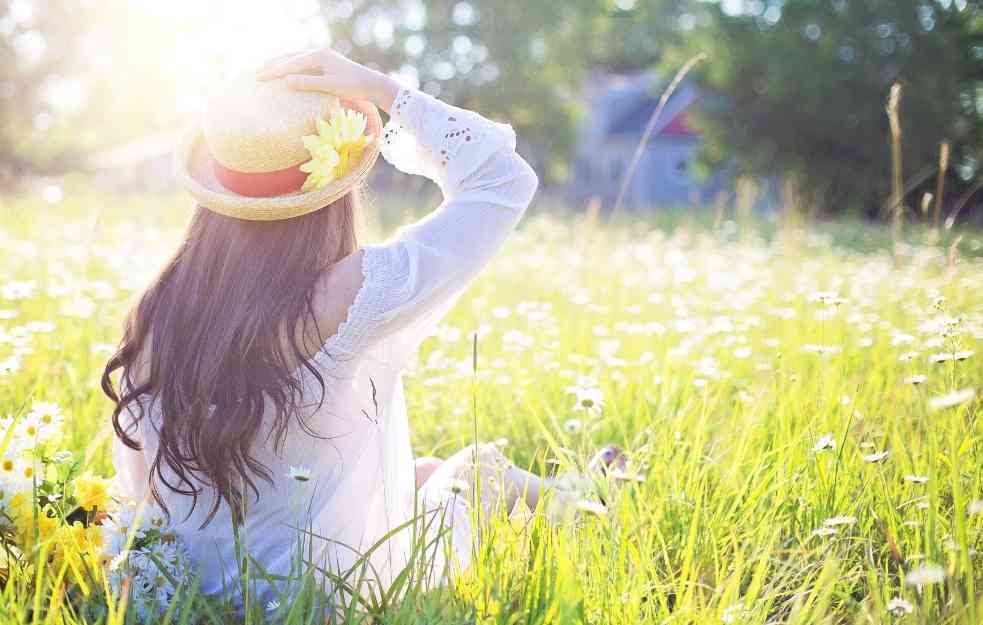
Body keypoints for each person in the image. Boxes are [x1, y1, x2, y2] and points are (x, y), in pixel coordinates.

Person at [102, 47, 556, 608]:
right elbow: (502, 179)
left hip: (188, 593)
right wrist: (384, 90)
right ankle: (594, 504)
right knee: (477, 471)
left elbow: (139, 484)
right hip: (321, 601)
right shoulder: (352, 291)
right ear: (334, 188)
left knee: (424, 472)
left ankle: (586, 491)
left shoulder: (159, 305)